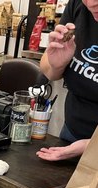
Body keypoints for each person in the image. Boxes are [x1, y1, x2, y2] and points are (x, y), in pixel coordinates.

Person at [36, 0, 98, 161]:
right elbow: (49, 69)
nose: (91, 3)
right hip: (72, 134)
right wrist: (58, 65)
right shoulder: (78, 6)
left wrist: (90, 146)